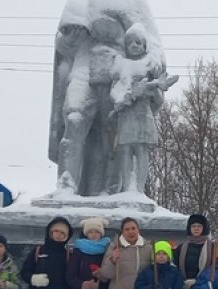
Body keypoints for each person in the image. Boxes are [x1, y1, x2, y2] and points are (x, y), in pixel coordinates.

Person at [48, 0, 164, 196]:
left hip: (117, 69)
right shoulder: (79, 3)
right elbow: (63, 46)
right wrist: (69, 38)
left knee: (112, 132)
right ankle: (66, 183)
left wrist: (152, 61)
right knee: (74, 117)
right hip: (84, 64)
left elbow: (152, 42)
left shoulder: (134, 4)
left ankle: (110, 187)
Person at [109, 23, 178, 193]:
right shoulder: (121, 65)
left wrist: (151, 91)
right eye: (130, 43)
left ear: (144, 45)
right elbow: (115, 92)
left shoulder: (149, 66)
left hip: (143, 114)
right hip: (126, 115)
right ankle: (126, 189)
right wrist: (127, 96)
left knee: (141, 150)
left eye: (138, 43)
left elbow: (158, 101)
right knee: (125, 149)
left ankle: (139, 189)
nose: (133, 46)